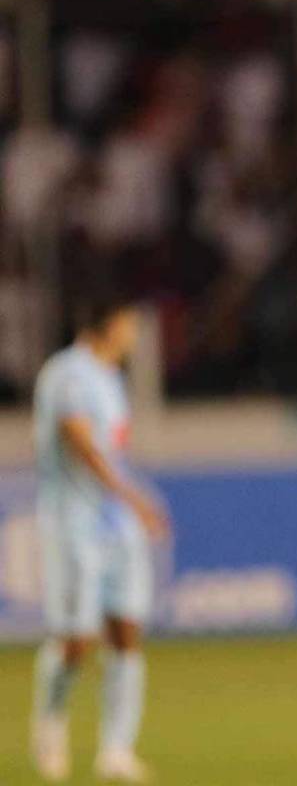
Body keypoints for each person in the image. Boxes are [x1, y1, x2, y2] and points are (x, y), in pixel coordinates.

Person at [30, 286, 171, 783]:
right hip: (74, 523)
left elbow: (113, 448)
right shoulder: (66, 373)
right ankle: (50, 721)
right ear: (108, 324)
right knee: (77, 639)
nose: (134, 334)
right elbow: (82, 446)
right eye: (130, 323)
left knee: (127, 632)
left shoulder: (111, 378)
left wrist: (130, 506)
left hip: (116, 525)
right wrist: (135, 497)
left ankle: (116, 751)